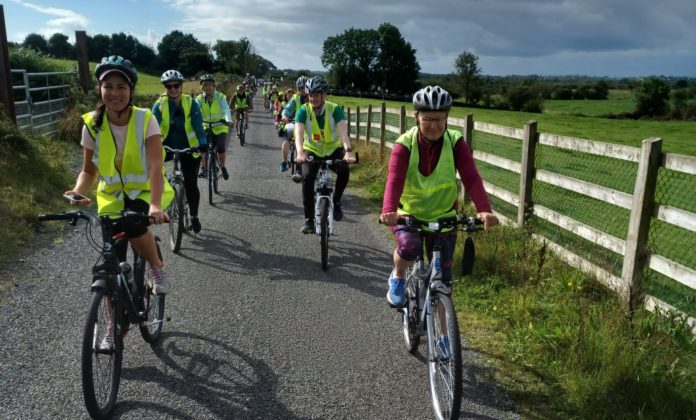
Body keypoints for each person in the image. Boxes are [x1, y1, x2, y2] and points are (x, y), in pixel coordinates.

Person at [64, 55, 174, 300]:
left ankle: (157, 266)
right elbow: (88, 170)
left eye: (121, 87)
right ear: (99, 89)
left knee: (134, 227)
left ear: (131, 90)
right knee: (110, 268)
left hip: (145, 192)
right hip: (111, 198)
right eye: (108, 86)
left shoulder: (146, 119)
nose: (115, 93)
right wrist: (78, 191)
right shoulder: (92, 124)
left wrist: (155, 205)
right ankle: (113, 328)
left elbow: (156, 166)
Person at [379, 85, 498, 308]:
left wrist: (484, 209)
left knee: (444, 282)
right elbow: (394, 179)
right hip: (408, 214)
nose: (433, 125)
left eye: (439, 119)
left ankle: (445, 337)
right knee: (409, 247)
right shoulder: (404, 144)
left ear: (446, 118)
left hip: (444, 216)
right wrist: (389, 210)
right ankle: (397, 276)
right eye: (428, 119)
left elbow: (471, 177)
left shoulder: (455, 142)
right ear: (417, 117)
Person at [294, 75, 356, 233]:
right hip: (312, 150)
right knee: (307, 179)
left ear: (324, 95)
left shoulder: (335, 109)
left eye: (316, 95)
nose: (312, 99)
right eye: (310, 95)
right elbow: (299, 134)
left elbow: (343, 134)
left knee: (344, 170)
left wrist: (348, 152)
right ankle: (309, 220)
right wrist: (300, 152)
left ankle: (336, 202)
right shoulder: (303, 111)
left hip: (333, 150)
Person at [152, 69, 208, 233]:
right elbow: (152, 125)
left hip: (189, 147)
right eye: (169, 86)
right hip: (166, 146)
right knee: (154, 173)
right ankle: (160, 204)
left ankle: (194, 216)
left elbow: (198, 125)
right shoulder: (160, 104)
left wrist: (202, 142)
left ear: (181, 86)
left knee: (191, 182)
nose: (173, 89)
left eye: (176, 85)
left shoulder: (191, 102)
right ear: (165, 88)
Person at [197, 74, 233, 180]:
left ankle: (222, 167)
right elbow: (196, 112)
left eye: (210, 85)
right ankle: (203, 168)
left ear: (213, 86)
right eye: (205, 85)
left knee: (221, 147)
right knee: (202, 146)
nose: (208, 87)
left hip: (220, 126)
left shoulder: (220, 97)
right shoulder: (199, 99)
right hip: (205, 126)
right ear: (202, 87)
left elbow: (226, 108)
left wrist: (228, 119)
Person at [282, 76, 309, 179]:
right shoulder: (295, 98)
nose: (303, 90)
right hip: (298, 124)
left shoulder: (314, 96)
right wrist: (284, 116)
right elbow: (287, 109)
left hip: (311, 125)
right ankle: (297, 169)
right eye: (300, 88)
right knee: (296, 140)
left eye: (305, 88)